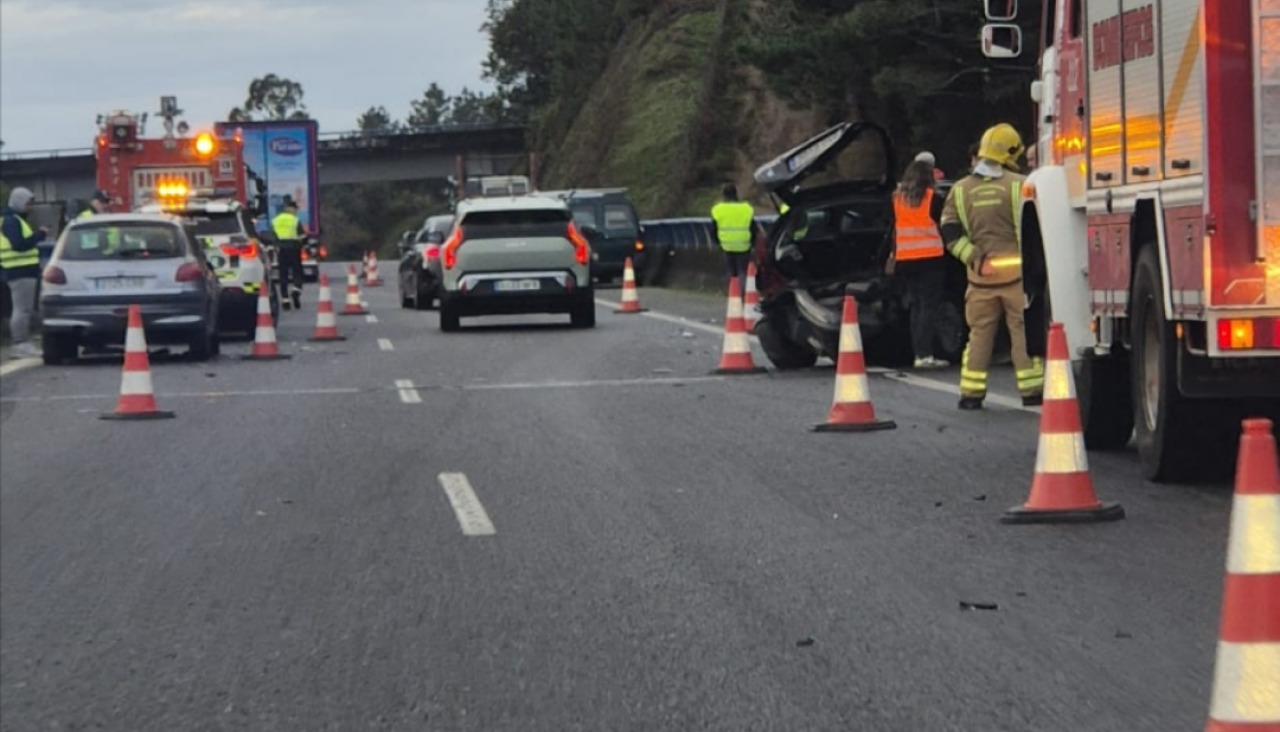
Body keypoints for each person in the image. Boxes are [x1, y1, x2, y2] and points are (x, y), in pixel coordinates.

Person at [940, 123, 1044, 410]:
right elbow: (1035, 232)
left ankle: (971, 394)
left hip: (979, 280)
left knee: (979, 336)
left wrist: (973, 258)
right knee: (1023, 333)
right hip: (1018, 280)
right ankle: (1032, 390)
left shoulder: (960, 191)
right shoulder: (1020, 185)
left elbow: (949, 232)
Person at [887, 160, 950, 369]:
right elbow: (946, 225)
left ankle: (919, 352)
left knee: (916, 306)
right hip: (930, 258)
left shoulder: (897, 199)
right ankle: (925, 354)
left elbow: (893, 229)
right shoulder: (933, 199)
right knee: (929, 307)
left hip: (905, 260)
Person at [1, 187, 49, 359]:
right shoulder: (12, 221)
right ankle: (20, 343)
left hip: (19, 271)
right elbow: (19, 244)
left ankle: (21, 342)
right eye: (28, 204)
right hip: (20, 271)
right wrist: (39, 235)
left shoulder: (12, 220)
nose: (31, 207)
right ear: (19, 202)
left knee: (23, 308)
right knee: (22, 309)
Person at [710, 184, 755, 284]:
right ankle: (744, 292)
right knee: (743, 272)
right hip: (744, 245)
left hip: (727, 245)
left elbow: (713, 230)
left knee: (732, 272)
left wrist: (718, 243)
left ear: (724, 195)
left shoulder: (718, 210)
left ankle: (734, 293)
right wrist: (753, 243)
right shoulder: (746, 208)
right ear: (736, 194)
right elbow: (753, 229)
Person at [271, 197, 307, 310]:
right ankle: (296, 290)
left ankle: (285, 300)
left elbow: (272, 237)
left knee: (283, 274)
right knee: (297, 271)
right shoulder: (295, 220)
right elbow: (302, 236)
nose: (296, 211)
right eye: (295, 209)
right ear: (291, 209)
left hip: (281, 250)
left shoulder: (275, 220)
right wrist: (305, 245)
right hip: (294, 248)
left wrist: (275, 246)